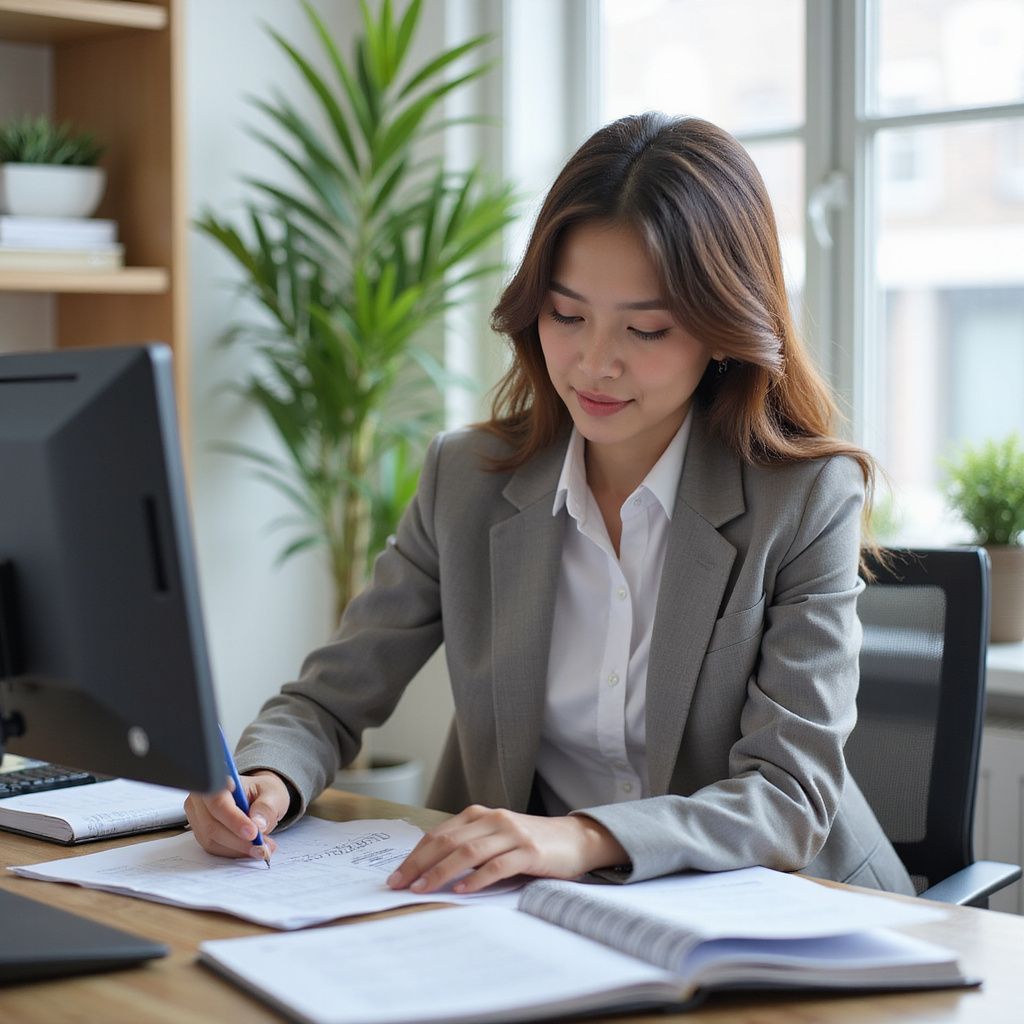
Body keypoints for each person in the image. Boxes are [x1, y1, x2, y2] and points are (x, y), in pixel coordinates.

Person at [185, 113, 915, 898]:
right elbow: (329, 699)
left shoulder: (804, 499)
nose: (595, 364)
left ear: (725, 330)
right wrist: (266, 776)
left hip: (781, 909)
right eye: (566, 315)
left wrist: (582, 838)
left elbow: (788, 795)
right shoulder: (465, 479)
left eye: (647, 328)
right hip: (540, 913)